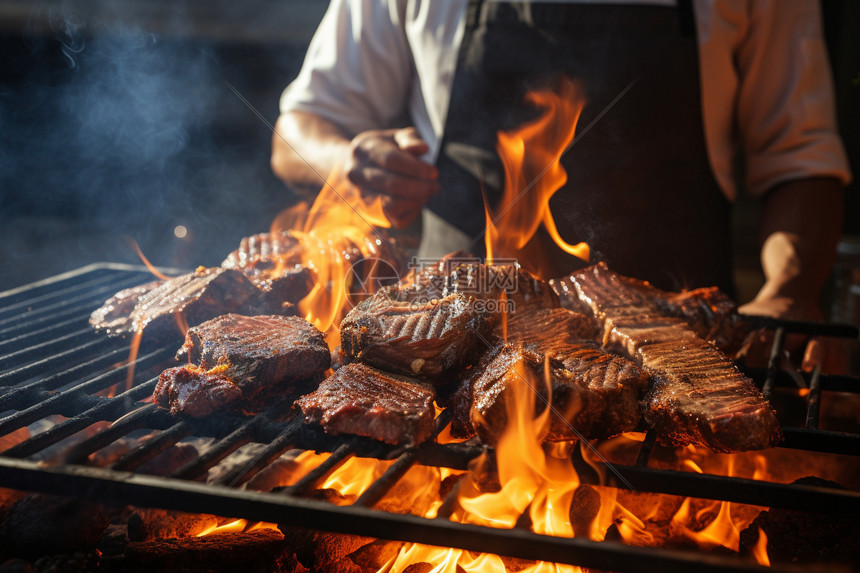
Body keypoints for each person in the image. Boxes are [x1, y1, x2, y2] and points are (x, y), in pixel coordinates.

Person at [271, 0, 851, 329]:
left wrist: (791, 291)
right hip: (452, 345)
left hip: (677, 342)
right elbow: (300, 127)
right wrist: (346, 162)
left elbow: (801, 157)